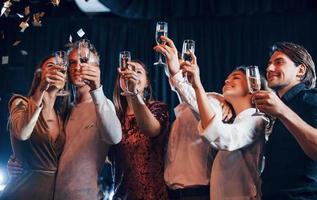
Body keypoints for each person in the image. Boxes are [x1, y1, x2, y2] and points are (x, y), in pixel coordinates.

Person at [6, 41, 123, 200]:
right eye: (72, 62)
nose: (78, 67)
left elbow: (115, 137)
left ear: (97, 69)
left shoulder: (103, 104)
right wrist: (19, 160)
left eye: (84, 61)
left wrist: (97, 89)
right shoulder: (64, 111)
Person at [182, 51, 270, 199]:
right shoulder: (236, 121)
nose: (227, 81)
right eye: (226, 79)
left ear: (253, 84)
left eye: (236, 77)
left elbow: (223, 137)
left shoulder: (257, 119)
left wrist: (197, 85)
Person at [154, 36, 232, 200]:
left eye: (235, 78)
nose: (228, 80)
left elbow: (195, 103)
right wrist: (174, 73)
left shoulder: (215, 102)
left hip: (197, 194)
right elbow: (187, 98)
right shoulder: (188, 105)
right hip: (172, 194)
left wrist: (177, 74)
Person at [253, 42, 317, 200]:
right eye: (269, 64)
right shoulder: (277, 108)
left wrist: (282, 111)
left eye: (279, 62)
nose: (269, 69)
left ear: (300, 70)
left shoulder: (311, 99)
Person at [1, 55, 68, 200]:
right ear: (39, 75)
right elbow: (22, 133)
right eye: (50, 66)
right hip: (20, 191)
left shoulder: (62, 117)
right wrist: (41, 89)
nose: (56, 69)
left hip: (50, 194)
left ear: (65, 79)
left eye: (60, 67)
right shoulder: (20, 102)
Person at [109, 59, 169, 199]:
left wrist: (133, 93)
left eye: (138, 72)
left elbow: (151, 130)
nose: (131, 75)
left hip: (153, 195)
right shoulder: (115, 117)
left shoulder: (158, 108)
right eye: (127, 71)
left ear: (147, 82)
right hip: (121, 196)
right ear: (120, 81)